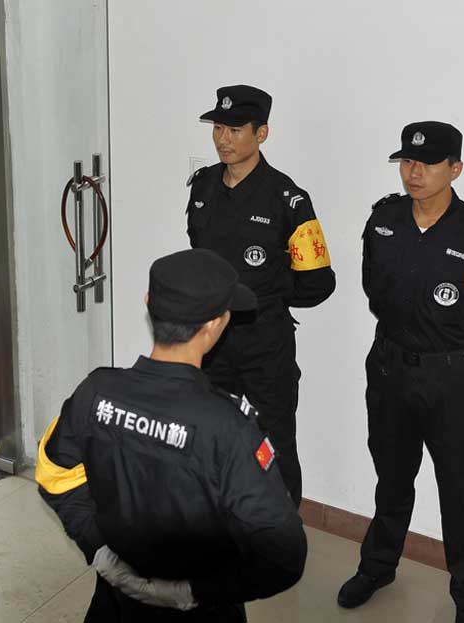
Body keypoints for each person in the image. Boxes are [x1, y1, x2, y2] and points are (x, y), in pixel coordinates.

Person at [37, 248, 308, 622]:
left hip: (115, 605)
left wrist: (98, 547)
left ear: (149, 303)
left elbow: (53, 473)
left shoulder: (95, 392)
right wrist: (194, 591)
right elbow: (284, 553)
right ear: (215, 324)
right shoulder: (228, 426)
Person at [338, 122, 464, 623]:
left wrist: (445, 336)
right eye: (407, 161)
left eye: (428, 164)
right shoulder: (384, 220)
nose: (413, 172)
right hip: (388, 369)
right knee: (392, 478)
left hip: (449, 381)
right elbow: (373, 289)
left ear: (455, 169)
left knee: (459, 491)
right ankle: (377, 567)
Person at [186, 84, 336, 506]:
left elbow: (319, 282)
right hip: (212, 341)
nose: (222, 139)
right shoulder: (203, 187)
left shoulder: (288, 200)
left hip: (265, 344)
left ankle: (281, 533)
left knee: (275, 446)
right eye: (218, 128)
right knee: (209, 438)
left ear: (261, 133)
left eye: (235, 130)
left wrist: (264, 293)